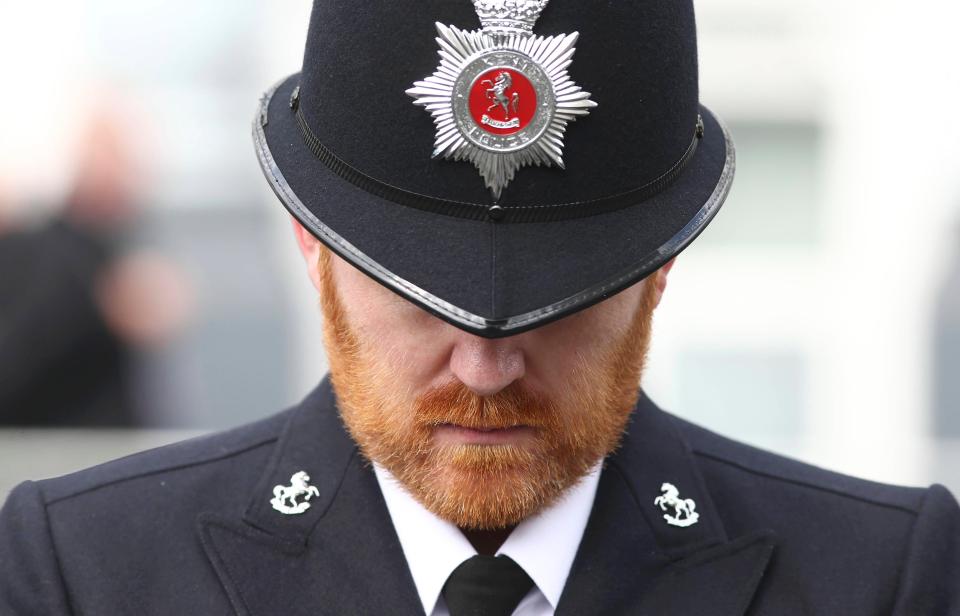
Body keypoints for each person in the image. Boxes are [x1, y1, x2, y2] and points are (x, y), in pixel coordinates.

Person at [1, 1, 958, 614]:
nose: (486, 366)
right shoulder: (83, 573)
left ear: (662, 270)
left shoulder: (879, 580)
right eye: (418, 293)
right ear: (312, 247)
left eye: (560, 301)